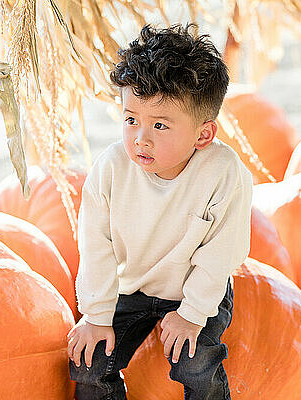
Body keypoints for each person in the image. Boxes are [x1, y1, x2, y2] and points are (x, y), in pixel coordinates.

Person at [67, 22, 253, 400]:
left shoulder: (223, 173)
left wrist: (193, 313)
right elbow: (96, 245)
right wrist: (97, 315)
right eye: (131, 119)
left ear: (203, 135)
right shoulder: (111, 169)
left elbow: (221, 255)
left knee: (196, 366)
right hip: (131, 285)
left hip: (193, 288)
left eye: (160, 125)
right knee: (89, 365)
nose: (141, 138)